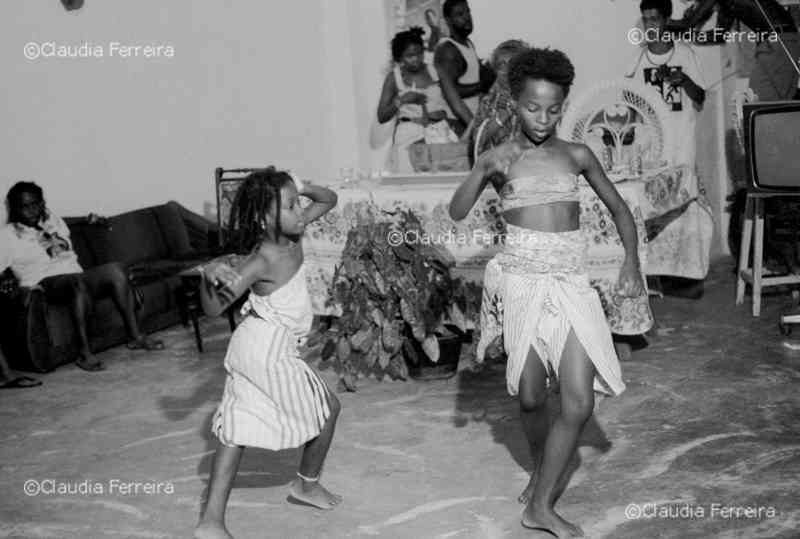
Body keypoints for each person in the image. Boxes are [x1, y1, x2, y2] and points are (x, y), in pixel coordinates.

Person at [449, 48, 645, 537]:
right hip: (522, 283)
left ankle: (539, 506)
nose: (542, 117)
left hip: (572, 283)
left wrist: (631, 264)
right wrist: (480, 168)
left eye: (553, 108)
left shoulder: (576, 155)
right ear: (515, 102)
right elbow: (456, 212)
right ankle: (541, 470)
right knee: (533, 397)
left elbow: (621, 211)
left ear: (563, 105)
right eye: (533, 107)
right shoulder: (500, 158)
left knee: (578, 403)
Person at [194, 168, 340, 539]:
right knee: (328, 410)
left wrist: (300, 187)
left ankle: (211, 522)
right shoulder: (262, 259)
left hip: (256, 343)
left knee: (235, 429)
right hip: (267, 349)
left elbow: (329, 199)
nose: (300, 210)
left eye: (296, 203)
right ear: (263, 218)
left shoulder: (293, 229)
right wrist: (208, 275)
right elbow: (212, 310)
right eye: (290, 206)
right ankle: (305, 484)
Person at [0, 182, 164, 372]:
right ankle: (84, 353)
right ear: (15, 208)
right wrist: (6, 280)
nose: (32, 211)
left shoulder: (51, 220)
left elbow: (67, 223)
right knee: (78, 283)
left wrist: (88, 219)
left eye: (36, 204)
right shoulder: (7, 236)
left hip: (76, 276)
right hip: (44, 283)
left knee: (116, 270)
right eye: (25, 206)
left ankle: (135, 336)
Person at [626, 0, 708, 167]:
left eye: (654, 19)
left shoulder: (685, 54)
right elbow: (629, 101)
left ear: (667, 20)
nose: (649, 26)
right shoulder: (637, 59)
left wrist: (684, 80)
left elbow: (700, 97)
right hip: (652, 149)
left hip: (682, 145)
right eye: (646, 20)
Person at [667, 0, 800, 101]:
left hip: (779, 43)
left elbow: (686, 23)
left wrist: (663, 25)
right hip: (779, 42)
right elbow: (719, 36)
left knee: (760, 106)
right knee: (769, 106)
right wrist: (690, 35)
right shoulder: (727, 4)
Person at [377, 27, 456, 173]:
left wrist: (475, 127)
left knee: (443, 181)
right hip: (409, 135)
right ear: (399, 58)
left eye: (420, 53)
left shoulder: (435, 71)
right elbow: (382, 116)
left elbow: (457, 105)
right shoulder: (394, 77)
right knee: (409, 184)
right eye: (409, 56)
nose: (416, 59)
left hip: (439, 133)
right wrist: (402, 100)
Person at [434, 0, 495, 136]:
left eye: (468, 11)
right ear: (448, 20)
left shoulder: (467, 43)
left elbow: (473, 77)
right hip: (456, 124)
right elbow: (450, 92)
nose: (467, 17)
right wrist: (481, 86)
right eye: (460, 14)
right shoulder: (447, 50)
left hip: (471, 122)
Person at [471, 39, 530, 158]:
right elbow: (478, 141)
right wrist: (502, 116)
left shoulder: (534, 98)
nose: (506, 70)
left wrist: (518, 107)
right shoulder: (488, 101)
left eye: (512, 64)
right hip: (495, 167)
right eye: (501, 64)